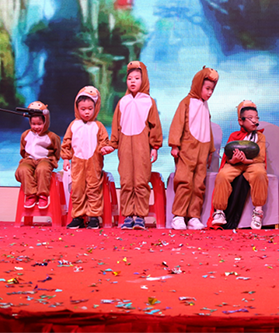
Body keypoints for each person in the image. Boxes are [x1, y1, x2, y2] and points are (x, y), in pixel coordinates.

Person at [106, 61, 163, 230]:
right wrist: (113, 144)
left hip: (142, 147)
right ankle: (128, 215)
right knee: (126, 181)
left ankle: (140, 216)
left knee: (140, 181)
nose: (132, 81)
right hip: (125, 147)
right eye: (130, 78)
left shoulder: (148, 102)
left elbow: (155, 126)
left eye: (137, 78)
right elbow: (116, 126)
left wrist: (155, 147)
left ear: (143, 80)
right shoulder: (122, 102)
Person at [169, 66, 219, 230]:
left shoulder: (205, 106)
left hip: (202, 151)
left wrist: (210, 150)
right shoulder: (186, 102)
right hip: (187, 149)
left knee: (198, 184)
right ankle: (179, 215)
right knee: (184, 181)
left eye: (212, 90)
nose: (209, 93)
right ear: (198, 85)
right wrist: (175, 145)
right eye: (207, 88)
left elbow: (207, 128)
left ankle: (193, 216)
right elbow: (177, 124)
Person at [211, 100, 267, 230]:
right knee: (223, 175)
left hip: (252, 163)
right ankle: (219, 211)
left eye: (256, 118)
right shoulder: (234, 136)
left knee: (260, 174)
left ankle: (258, 211)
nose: (255, 121)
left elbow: (260, 157)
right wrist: (234, 160)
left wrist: (247, 161)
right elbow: (228, 156)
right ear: (241, 121)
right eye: (250, 118)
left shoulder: (260, 137)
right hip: (235, 164)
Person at [61, 86, 110, 229]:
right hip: (77, 163)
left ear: (96, 108)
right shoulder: (73, 125)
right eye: (83, 109)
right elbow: (67, 143)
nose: (87, 112)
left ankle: (94, 216)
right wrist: (66, 158)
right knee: (77, 189)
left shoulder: (98, 126)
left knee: (93, 188)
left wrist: (104, 148)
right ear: (77, 109)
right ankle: (78, 217)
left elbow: (104, 141)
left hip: (94, 163)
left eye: (90, 108)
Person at [15, 101, 61, 210]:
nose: (36, 127)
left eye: (39, 124)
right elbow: (23, 150)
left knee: (42, 168)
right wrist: (27, 159)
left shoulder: (51, 136)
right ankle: (31, 195)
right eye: (33, 124)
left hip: (45, 159)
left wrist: (52, 160)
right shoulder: (26, 135)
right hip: (30, 159)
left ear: (45, 122)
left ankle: (42, 195)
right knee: (23, 169)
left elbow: (57, 150)